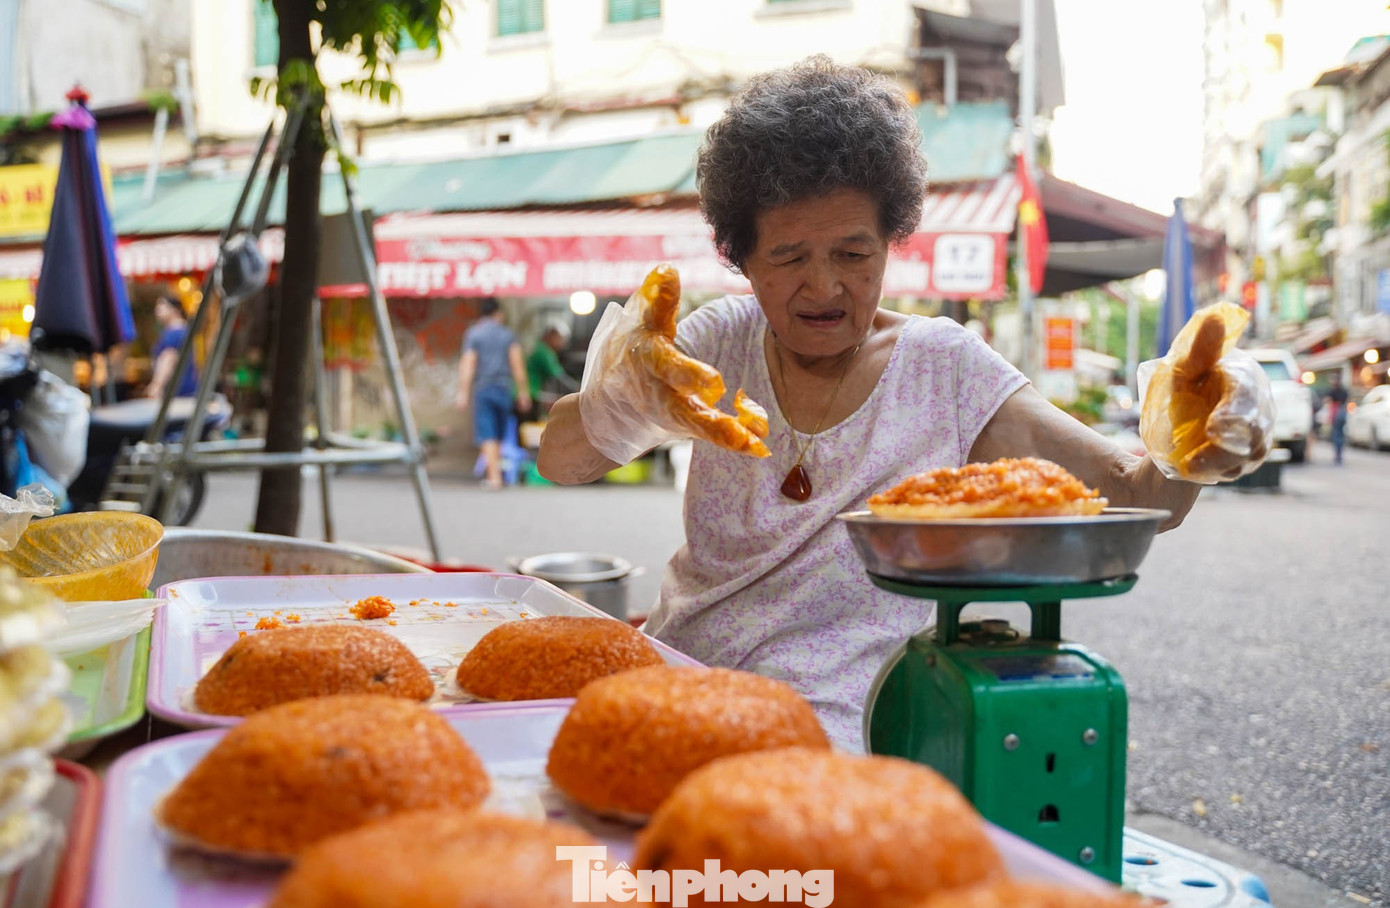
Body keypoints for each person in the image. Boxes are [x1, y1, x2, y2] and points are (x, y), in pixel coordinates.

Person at [537, 57, 1267, 751]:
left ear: (892, 243)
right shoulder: (713, 345)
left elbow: (1139, 494)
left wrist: (1201, 429)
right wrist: (622, 397)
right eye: (789, 257)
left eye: (854, 255)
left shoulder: (944, 370)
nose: (823, 288)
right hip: (676, 683)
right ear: (741, 258)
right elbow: (561, 461)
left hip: (842, 733)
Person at [456, 298, 531, 489]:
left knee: (487, 433)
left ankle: (494, 477)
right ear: (498, 313)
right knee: (498, 433)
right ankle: (496, 474)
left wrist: (463, 393)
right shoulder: (507, 335)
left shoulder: (474, 334)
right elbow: (517, 365)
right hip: (504, 388)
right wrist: (523, 392)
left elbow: (468, 364)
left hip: (484, 388)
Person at [145, 296, 198, 399]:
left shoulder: (175, 332)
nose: (157, 309)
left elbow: (169, 357)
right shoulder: (182, 330)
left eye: (162, 305)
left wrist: (156, 386)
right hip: (186, 387)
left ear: (175, 309)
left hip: (176, 389)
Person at [525, 323, 579, 419]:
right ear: (551, 336)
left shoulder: (538, 348)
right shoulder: (544, 352)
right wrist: (578, 389)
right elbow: (559, 376)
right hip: (531, 393)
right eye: (560, 339)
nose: (562, 344)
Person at [1325, 371, 1349, 465]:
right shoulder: (1343, 391)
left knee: (1336, 434)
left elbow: (1328, 401)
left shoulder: (1333, 391)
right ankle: (1339, 454)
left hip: (1337, 413)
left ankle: (1338, 454)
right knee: (1340, 434)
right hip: (1343, 412)